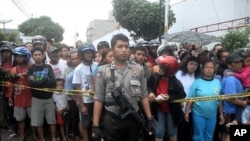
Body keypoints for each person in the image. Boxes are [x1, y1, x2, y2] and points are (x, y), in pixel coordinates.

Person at [92, 33, 154, 141]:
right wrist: (95, 125)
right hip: (112, 119)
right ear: (112, 49)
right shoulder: (103, 71)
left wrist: (149, 118)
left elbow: (144, 95)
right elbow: (99, 98)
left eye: (126, 46)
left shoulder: (138, 69)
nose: (124, 50)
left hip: (133, 119)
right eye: (120, 47)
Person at [147, 55, 186, 141]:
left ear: (169, 71)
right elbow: (148, 86)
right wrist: (150, 93)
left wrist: (170, 97)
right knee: (159, 132)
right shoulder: (155, 77)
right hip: (159, 109)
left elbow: (182, 95)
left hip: (172, 110)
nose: (158, 68)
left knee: (172, 131)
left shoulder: (176, 83)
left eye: (162, 67)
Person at [185, 60, 224, 141]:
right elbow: (190, 98)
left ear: (214, 70)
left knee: (209, 136)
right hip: (198, 114)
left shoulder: (218, 83)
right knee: (198, 136)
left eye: (211, 68)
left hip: (212, 115)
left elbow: (219, 100)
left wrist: (221, 114)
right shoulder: (197, 83)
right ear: (202, 69)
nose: (209, 69)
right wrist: (186, 112)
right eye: (207, 67)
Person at [27, 47, 56, 141]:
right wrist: (45, 79)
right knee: (38, 122)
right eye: (35, 55)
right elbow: (31, 84)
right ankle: (42, 139)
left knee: (52, 120)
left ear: (43, 56)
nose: (38, 56)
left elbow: (52, 82)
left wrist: (37, 81)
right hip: (36, 98)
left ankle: (54, 138)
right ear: (32, 57)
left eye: (39, 54)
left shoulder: (48, 67)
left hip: (49, 98)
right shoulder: (31, 68)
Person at [72, 42, 97, 141]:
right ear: (81, 55)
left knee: (96, 121)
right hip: (86, 101)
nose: (89, 54)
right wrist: (81, 105)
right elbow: (78, 88)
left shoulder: (97, 65)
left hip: (96, 100)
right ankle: (85, 138)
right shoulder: (78, 69)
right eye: (86, 53)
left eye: (90, 52)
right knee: (85, 123)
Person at [7, 46, 33, 141]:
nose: (18, 58)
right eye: (17, 56)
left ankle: (35, 134)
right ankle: (22, 134)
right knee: (20, 119)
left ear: (26, 56)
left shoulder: (31, 68)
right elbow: (11, 85)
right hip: (18, 98)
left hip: (30, 98)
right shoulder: (14, 69)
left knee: (33, 119)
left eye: (21, 56)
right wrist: (10, 97)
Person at [220, 54, 248, 141]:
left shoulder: (232, 74)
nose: (240, 64)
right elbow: (229, 97)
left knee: (226, 134)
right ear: (229, 65)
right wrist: (243, 103)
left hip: (231, 111)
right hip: (231, 113)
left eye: (240, 62)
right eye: (236, 63)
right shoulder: (230, 79)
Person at [175, 56, 200, 141]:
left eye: (195, 65)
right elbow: (174, 89)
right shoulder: (178, 74)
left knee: (189, 129)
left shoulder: (197, 77)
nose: (193, 66)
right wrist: (179, 100)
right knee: (180, 130)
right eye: (191, 64)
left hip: (193, 108)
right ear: (186, 64)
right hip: (180, 106)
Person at [0, 41, 19, 139]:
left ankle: (19, 128)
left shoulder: (15, 63)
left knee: (18, 111)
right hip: (5, 92)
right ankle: (13, 128)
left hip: (16, 92)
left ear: (11, 52)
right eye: (3, 52)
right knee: (9, 112)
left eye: (7, 51)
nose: (5, 53)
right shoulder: (1, 64)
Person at [64, 49, 81, 140]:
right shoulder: (70, 73)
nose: (75, 61)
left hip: (84, 98)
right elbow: (67, 90)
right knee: (74, 117)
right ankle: (76, 133)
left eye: (76, 58)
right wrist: (76, 100)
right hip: (73, 99)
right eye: (73, 59)